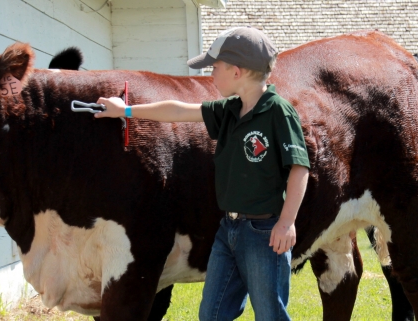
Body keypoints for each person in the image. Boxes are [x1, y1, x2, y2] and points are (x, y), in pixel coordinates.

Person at [95, 27, 310, 321]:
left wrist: (286, 223)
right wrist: (127, 111)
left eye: (215, 67)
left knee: (270, 315)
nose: (211, 75)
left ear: (237, 72)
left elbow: (299, 168)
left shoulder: (279, 113)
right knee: (212, 314)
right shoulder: (230, 110)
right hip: (228, 231)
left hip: (264, 235)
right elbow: (180, 112)